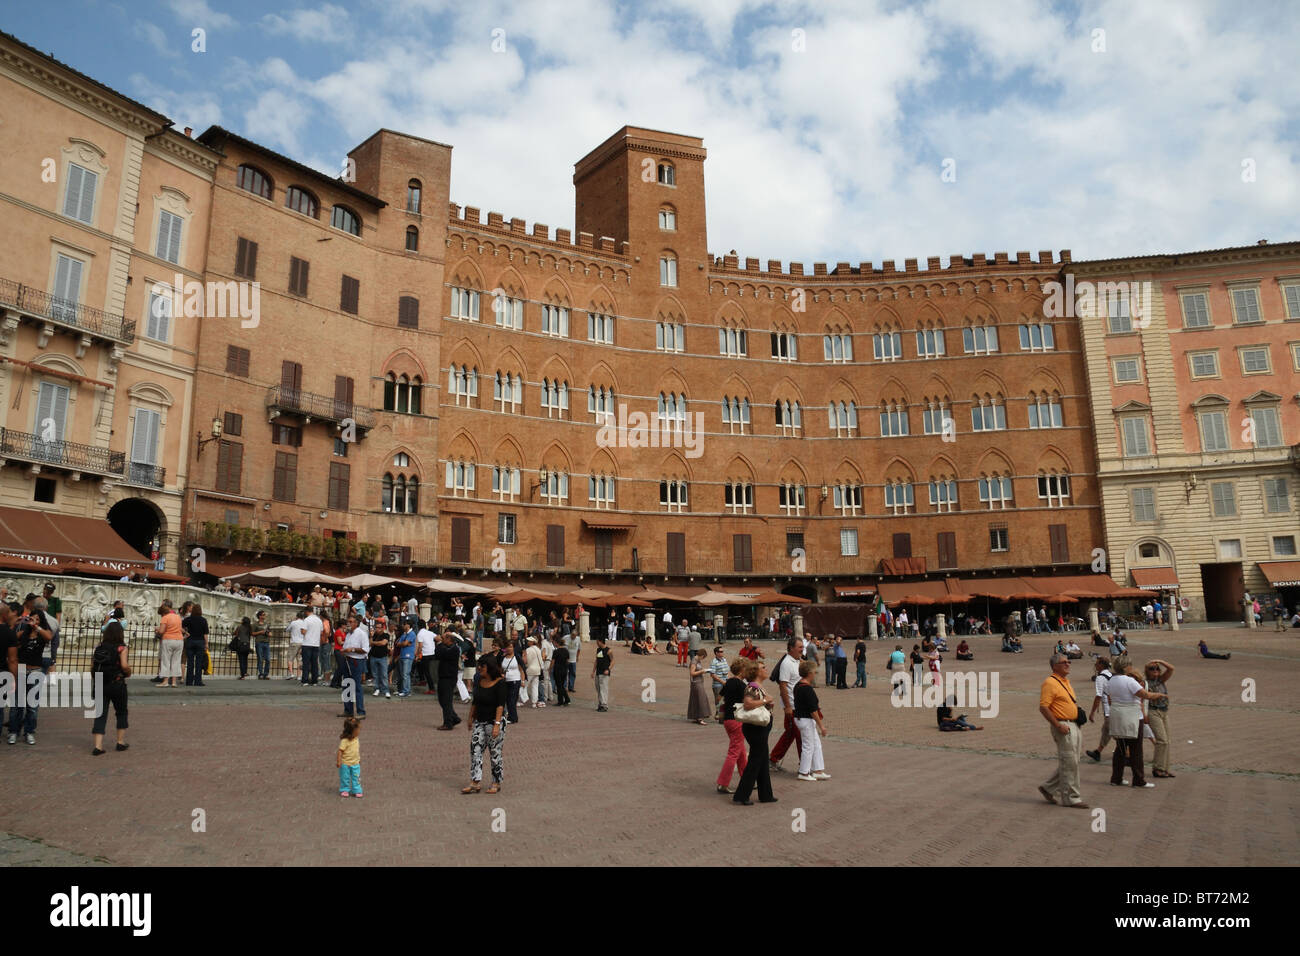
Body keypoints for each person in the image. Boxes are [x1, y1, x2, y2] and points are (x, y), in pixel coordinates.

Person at [1037, 653, 1089, 809]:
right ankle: (1071, 798)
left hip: (1073, 725)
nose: (1068, 664)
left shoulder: (1065, 681)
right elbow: (1044, 707)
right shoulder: (1050, 683)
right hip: (1063, 725)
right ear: (1055, 666)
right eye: (1064, 662)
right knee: (1069, 761)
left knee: (1072, 762)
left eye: (1068, 661)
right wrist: (1058, 725)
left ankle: (1048, 787)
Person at [1107, 659, 1166, 788]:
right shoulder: (1129, 681)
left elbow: (1109, 697)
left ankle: (1116, 778)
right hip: (1132, 716)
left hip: (1117, 715)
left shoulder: (1111, 680)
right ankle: (1138, 779)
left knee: (1120, 749)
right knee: (1136, 750)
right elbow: (1145, 695)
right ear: (1126, 667)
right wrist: (1159, 695)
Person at [733, 659, 778, 806]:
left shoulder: (758, 686)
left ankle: (766, 794)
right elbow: (747, 704)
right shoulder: (752, 687)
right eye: (762, 667)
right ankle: (741, 795)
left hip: (760, 727)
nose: (765, 669)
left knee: (763, 759)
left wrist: (766, 702)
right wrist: (765, 700)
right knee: (755, 760)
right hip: (755, 728)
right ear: (756, 672)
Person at [8, 600, 52, 745]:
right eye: (33, 618)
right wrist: (17, 623)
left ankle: (29, 732)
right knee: (16, 705)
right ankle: (13, 731)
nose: (35, 621)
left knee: (32, 706)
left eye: (38, 619)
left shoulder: (42, 633)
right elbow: (12, 638)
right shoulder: (24, 632)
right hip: (21, 670)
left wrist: (37, 626)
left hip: (36, 671)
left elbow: (49, 637)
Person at [463, 657, 507, 794]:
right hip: (480, 721)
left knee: (495, 753)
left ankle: (496, 781)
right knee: (475, 750)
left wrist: (497, 724)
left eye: (482, 666)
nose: (479, 668)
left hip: (494, 721)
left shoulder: (500, 683)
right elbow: (475, 702)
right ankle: (475, 781)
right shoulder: (479, 681)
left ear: (490, 667)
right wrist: (470, 717)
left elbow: (500, 705)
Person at [90, 617, 131, 755]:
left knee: (100, 714)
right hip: (117, 682)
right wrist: (128, 672)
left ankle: (98, 746)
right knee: (121, 712)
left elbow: (92, 666)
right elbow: (124, 666)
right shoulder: (122, 648)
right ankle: (120, 742)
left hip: (101, 682)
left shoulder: (98, 647)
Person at [767, 637, 804, 772]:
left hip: (799, 704)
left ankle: (773, 758)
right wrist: (788, 706)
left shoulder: (797, 660)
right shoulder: (787, 663)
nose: (802, 649)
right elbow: (783, 686)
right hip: (792, 705)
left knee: (790, 734)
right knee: (799, 734)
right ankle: (804, 764)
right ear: (791, 648)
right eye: (799, 647)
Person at [716, 658, 748, 793]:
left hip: (727, 720)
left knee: (740, 750)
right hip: (737, 719)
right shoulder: (741, 685)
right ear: (741, 671)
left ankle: (747, 779)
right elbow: (747, 702)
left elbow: (719, 697)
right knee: (734, 752)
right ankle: (723, 783)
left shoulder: (728, 682)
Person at [794, 661, 829, 782]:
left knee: (816, 744)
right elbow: (813, 710)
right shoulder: (807, 689)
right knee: (808, 746)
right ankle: (804, 772)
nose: (815, 674)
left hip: (801, 718)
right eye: (814, 672)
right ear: (809, 673)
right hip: (805, 719)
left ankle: (818, 770)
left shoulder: (798, 685)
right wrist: (822, 726)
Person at [1143, 659, 1175, 779]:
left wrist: (1159, 661)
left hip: (1164, 711)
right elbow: (1143, 699)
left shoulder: (1161, 680)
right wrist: (1144, 714)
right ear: (1147, 671)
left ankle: (1165, 769)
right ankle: (1157, 769)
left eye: (1157, 668)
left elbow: (1171, 668)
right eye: (1152, 669)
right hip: (1153, 711)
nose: (1155, 670)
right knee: (1162, 740)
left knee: (1167, 741)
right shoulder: (1145, 683)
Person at [1084, 657, 1113, 763]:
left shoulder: (1100, 678)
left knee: (1111, 730)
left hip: (1110, 709)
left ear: (1101, 665)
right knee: (1107, 730)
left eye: (1096, 664)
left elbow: (1098, 696)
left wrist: (1092, 713)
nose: (1095, 666)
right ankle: (1098, 752)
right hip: (1113, 708)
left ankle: (1127, 754)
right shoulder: (1110, 674)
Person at [339, 615, 369, 718]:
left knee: (357, 686)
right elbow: (345, 646)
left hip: (356, 661)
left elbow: (365, 649)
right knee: (346, 685)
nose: (348, 623)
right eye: (348, 621)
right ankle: (348, 710)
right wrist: (344, 650)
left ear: (356, 623)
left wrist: (351, 650)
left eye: (351, 622)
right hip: (347, 660)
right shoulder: (348, 634)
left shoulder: (362, 634)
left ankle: (361, 712)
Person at [434, 631, 463, 729]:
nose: (442, 640)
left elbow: (441, 653)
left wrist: (438, 643)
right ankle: (454, 718)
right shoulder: (447, 647)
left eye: (444, 638)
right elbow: (438, 655)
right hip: (443, 677)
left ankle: (448, 723)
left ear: (449, 640)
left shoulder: (454, 649)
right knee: (442, 700)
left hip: (449, 678)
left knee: (446, 701)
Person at [157, 601, 184, 687]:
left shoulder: (165, 617)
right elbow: (180, 629)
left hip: (168, 640)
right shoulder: (178, 617)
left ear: (163, 612)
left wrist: (157, 629)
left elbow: (161, 631)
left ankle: (165, 681)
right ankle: (174, 682)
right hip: (179, 640)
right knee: (176, 661)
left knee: (166, 661)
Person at [184, 604, 209, 688]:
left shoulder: (188, 619)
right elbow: (205, 634)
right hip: (200, 642)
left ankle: (189, 681)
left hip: (190, 641)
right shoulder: (203, 620)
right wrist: (206, 644)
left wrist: (185, 633)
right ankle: (198, 681)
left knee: (190, 662)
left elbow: (181, 625)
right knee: (198, 662)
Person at [337, 717, 362, 798]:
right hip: (345, 763)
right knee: (345, 777)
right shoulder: (345, 741)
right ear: (352, 730)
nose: (359, 731)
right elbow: (340, 751)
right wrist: (339, 761)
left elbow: (356, 750)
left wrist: (359, 758)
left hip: (355, 763)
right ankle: (344, 789)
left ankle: (357, 789)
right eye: (358, 729)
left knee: (356, 778)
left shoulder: (356, 739)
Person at [687, 648, 713, 725]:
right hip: (696, 682)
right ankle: (700, 717)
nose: (703, 659)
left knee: (696, 699)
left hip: (698, 682)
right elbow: (692, 673)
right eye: (703, 657)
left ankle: (696, 717)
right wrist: (702, 671)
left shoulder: (697, 660)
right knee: (701, 699)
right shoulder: (694, 661)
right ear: (701, 655)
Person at [393, 620, 416, 698]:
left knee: (405, 674)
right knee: (403, 674)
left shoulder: (412, 633)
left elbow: (404, 643)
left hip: (408, 656)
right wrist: (404, 644)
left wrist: (404, 643)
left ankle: (406, 691)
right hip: (402, 656)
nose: (403, 626)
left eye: (404, 624)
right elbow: (397, 643)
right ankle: (404, 690)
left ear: (408, 625)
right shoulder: (404, 634)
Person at [301, 609, 323, 686]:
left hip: (307, 643)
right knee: (314, 663)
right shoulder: (319, 620)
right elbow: (321, 632)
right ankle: (314, 680)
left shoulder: (306, 620)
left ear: (307, 612)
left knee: (306, 663)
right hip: (316, 644)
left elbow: (303, 631)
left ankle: (305, 680)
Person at [502, 639, 523, 722]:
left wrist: (523, 680)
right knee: (507, 699)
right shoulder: (503, 657)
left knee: (512, 699)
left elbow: (521, 669)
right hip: (505, 680)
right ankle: (510, 716)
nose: (509, 648)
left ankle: (513, 718)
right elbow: (501, 668)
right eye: (507, 647)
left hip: (515, 680)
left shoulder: (517, 657)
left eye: (511, 647)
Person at [368, 624, 391, 698]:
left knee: (384, 674)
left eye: (378, 628)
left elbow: (383, 643)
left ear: (382, 628)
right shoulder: (374, 635)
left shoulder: (386, 635)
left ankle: (386, 690)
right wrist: (371, 636)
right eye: (376, 627)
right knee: (375, 674)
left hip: (383, 657)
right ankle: (376, 689)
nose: (377, 629)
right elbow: (370, 644)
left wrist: (374, 643)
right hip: (373, 657)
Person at [416, 620, 438, 694]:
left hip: (425, 655)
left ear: (418, 626)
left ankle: (432, 688)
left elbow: (420, 646)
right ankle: (422, 680)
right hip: (432, 653)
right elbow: (438, 638)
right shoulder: (430, 632)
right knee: (419, 664)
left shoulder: (420, 634)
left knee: (427, 672)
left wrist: (417, 654)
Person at [591, 635, 613, 712]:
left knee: (603, 689)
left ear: (600, 641)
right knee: (598, 688)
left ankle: (604, 705)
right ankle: (600, 703)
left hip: (605, 673)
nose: (597, 643)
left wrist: (608, 669)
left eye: (597, 641)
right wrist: (593, 671)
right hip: (598, 672)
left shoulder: (608, 650)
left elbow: (613, 661)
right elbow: (596, 661)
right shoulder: (598, 650)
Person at [524, 636, 545, 708]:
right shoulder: (538, 649)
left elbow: (527, 661)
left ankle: (523, 699)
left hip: (530, 670)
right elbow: (541, 660)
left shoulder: (528, 650)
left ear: (532, 642)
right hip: (537, 670)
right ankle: (534, 703)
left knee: (524, 685)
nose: (528, 642)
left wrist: (526, 666)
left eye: (529, 641)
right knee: (535, 687)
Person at [551, 637, 571, 707]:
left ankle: (561, 701)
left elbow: (553, 662)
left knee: (559, 686)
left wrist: (550, 669)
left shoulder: (556, 651)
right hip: (564, 670)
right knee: (561, 685)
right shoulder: (566, 651)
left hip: (557, 670)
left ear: (557, 643)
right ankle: (566, 699)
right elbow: (568, 661)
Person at [252, 611, 271, 680]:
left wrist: (268, 633)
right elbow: (252, 633)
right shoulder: (255, 624)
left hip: (266, 642)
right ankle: (260, 674)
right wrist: (260, 632)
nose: (264, 616)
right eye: (263, 615)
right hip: (259, 642)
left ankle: (266, 674)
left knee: (268, 659)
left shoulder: (267, 624)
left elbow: (270, 633)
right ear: (259, 616)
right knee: (260, 658)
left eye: (264, 615)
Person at [709, 645, 729, 709]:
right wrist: (722, 682)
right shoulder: (714, 662)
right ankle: (718, 714)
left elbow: (727, 671)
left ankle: (724, 715)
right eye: (721, 651)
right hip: (718, 685)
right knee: (718, 700)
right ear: (716, 653)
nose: (722, 652)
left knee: (726, 700)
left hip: (725, 683)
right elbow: (712, 675)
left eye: (723, 651)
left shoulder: (724, 660)